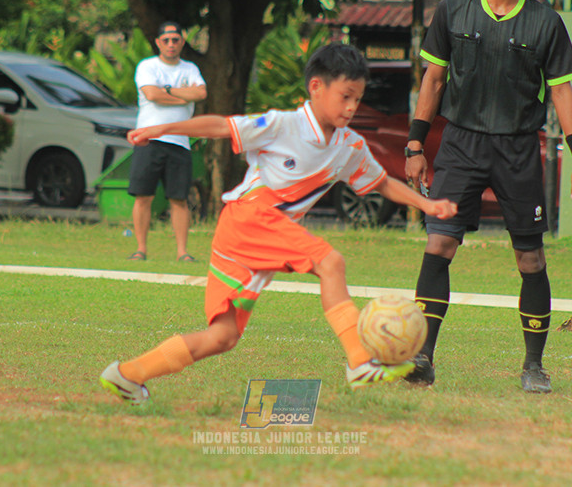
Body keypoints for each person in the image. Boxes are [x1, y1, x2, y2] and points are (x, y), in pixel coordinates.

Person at [100, 44, 458, 403]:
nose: (352, 107)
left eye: (358, 99)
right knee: (330, 261)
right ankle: (359, 361)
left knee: (222, 337)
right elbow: (221, 126)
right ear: (316, 87)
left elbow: (381, 183)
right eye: (345, 96)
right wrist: (163, 127)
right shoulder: (282, 125)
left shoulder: (349, 146)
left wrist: (427, 203)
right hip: (248, 218)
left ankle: (128, 375)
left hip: (254, 233)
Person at [403, 0, 572, 393]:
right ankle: (423, 356)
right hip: (460, 145)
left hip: (518, 149)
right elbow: (433, 80)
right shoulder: (453, 11)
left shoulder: (546, 22)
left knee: (529, 259)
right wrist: (414, 144)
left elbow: (563, 95)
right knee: (439, 245)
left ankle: (533, 366)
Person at [127, 21, 207, 262]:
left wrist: (167, 91)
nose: (171, 44)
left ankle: (182, 252)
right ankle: (141, 249)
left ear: (182, 41)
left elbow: (201, 94)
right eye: (166, 40)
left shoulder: (190, 68)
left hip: (180, 142)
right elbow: (151, 94)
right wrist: (182, 96)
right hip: (148, 139)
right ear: (158, 42)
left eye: (175, 39)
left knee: (179, 198)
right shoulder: (147, 66)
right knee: (143, 196)